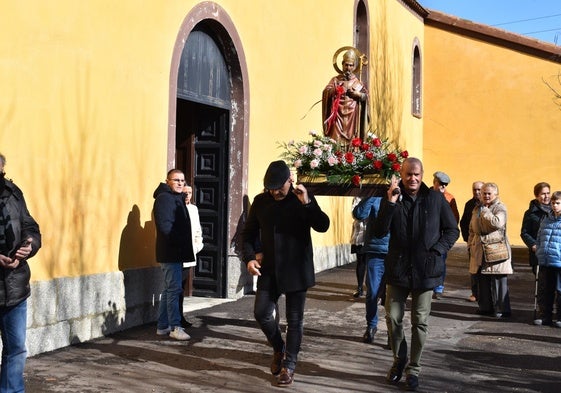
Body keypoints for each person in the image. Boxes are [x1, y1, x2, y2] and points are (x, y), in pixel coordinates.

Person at [373, 158, 459, 391]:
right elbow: (379, 231)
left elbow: (452, 230)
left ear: (423, 175)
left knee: (420, 322)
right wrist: (390, 203)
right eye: (408, 174)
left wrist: (438, 251)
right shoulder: (392, 197)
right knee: (392, 317)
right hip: (398, 269)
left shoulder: (435, 199)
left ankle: (414, 368)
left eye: (417, 174)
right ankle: (399, 359)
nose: (413, 178)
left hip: (425, 271)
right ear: (401, 174)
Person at [242, 160, 330, 387]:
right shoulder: (261, 201)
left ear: (289, 180)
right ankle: (279, 348)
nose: (274, 192)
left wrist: (308, 203)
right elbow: (248, 233)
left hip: (296, 269)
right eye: (270, 188)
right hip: (269, 269)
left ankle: (289, 366)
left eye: (278, 187)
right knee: (261, 313)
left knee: (295, 321)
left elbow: (323, 225)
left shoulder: (301, 199)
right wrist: (250, 257)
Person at [0, 153, 42, 392]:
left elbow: (31, 227)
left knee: (16, 349)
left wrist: (29, 244)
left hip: (15, 287)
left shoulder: (13, 193)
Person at [153, 169, 195, 341]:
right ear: (167, 181)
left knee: (169, 289)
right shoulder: (164, 199)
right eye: (176, 180)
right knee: (174, 290)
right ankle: (175, 327)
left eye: (182, 181)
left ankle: (162, 326)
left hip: (174, 252)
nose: (180, 183)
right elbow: (165, 226)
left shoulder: (175, 199)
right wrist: (179, 242)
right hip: (171, 252)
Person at [468, 182, 513, 319]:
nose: (486, 196)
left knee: (498, 279)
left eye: (489, 193)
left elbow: (497, 222)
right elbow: (471, 228)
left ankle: (502, 309)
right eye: (484, 193)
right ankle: (485, 307)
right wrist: (470, 243)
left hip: (495, 249)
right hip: (479, 249)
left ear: (496, 194)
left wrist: (486, 211)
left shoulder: (500, 207)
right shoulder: (476, 208)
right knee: (482, 279)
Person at [353, 196, 389, 344]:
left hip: (396, 251)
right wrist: (371, 194)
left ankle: (392, 331)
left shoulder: (403, 192)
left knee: (392, 295)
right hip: (376, 250)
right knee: (373, 292)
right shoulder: (375, 196)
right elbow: (359, 214)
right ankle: (371, 326)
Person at [322, 49, 368, 142]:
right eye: (346, 65)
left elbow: (366, 97)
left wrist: (359, 95)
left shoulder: (357, 82)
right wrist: (336, 90)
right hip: (337, 115)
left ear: (354, 66)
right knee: (335, 139)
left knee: (352, 141)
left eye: (351, 65)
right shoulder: (335, 80)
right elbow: (326, 92)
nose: (348, 67)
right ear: (342, 65)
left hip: (352, 116)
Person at [178, 184, 204, 329]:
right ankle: (176, 317)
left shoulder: (193, 209)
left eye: (190, 192)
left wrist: (198, 245)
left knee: (181, 287)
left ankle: (180, 316)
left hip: (190, 253)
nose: (187, 195)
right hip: (177, 254)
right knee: (176, 288)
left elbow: (198, 230)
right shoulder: (176, 207)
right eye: (185, 192)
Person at [431, 171, 460, 300]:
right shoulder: (426, 194)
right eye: (441, 184)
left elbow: (454, 218)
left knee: (440, 261)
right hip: (428, 234)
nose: (443, 187)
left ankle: (438, 288)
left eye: (445, 185)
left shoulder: (449, 198)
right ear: (434, 182)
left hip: (441, 235)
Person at [535, 190, 561, 327]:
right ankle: (545, 316)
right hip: (546, 260)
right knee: (546, 290)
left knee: (560, 290)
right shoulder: (546, 219)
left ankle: (560, 317)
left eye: (557, 203)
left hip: (559, 261)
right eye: (553, 203)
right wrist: (539, 250)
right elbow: (539, 237)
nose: (554, 206)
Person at [460, 181, 484, 302]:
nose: (477, 192)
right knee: (474, 269)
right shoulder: (469, 204)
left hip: (485, 243)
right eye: (474, 190)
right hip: (473, 242)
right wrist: (467, 240)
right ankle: (475, 293)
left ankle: (485, 293)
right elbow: (463, 222)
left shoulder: (488, 204)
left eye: (479, 190)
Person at [350, 197, 366, 298]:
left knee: (373, 264)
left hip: (372, 234)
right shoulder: (357, 197)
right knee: (360, 262)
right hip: (360, 234)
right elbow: (355, 214)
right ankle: (359, 287)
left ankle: (378, 291)